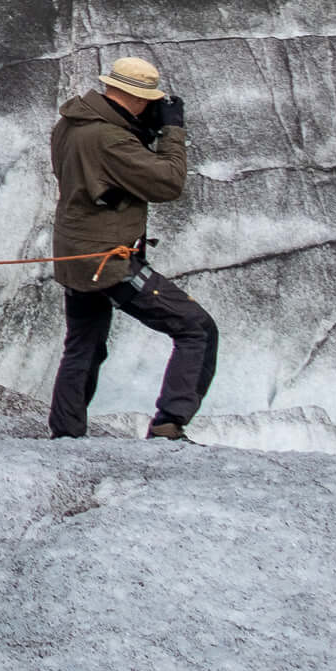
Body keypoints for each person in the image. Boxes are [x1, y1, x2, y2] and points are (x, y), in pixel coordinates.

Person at [46, 55, 216, 442]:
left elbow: (98, 178)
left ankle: (66, 434)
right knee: (196, 328)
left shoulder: (72, 124)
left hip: (75, 254)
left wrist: (141, 134)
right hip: (108, 260)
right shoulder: (110, 138)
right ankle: (169, 424)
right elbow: (168, 183)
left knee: (83, 346)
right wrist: (172, 133)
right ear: (138, 97)